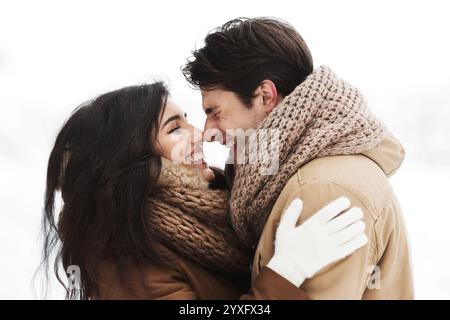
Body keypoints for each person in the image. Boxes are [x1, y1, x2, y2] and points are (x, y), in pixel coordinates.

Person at [41, 82, 368, 299]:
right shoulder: (127, 262)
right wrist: (288, 270)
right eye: (175, 129)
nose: (199, 134)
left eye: (187, 120)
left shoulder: (216, 208)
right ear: (131, 161)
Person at [182, 17, 414, 299]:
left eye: (215, 112)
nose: (207, 133)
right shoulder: (298, 175)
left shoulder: (320, 192)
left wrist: (286, 269)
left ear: (265, 96)